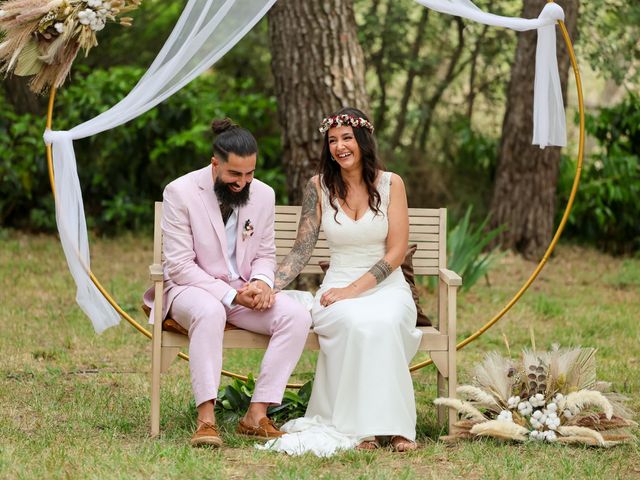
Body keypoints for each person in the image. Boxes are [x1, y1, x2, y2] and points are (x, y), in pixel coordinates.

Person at [143, 118, 312, 448]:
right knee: (210, 311)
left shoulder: (263, 194)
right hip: (190, 289)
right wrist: (231, 295)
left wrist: (262, 284)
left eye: (249, 174)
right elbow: (178, 266)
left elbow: (265, 253)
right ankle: (206, 420)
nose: (242, 182)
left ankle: (257, 413)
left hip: (243, 289)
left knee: (297, 317)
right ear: (215, 163)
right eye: (235, 174)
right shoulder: (180, 191)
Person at [264, 107, 422, 456]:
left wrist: (353, 290)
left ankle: (396, 429)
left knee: (383, 322)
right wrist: (269, 285)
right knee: (354, 323)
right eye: (332, 140)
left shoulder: (391, 183)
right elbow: (301, 250)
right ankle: (360, 429)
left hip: (387, 288)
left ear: (363, 140)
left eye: (346, 138)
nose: (339, 146)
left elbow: (395, 253)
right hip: (336, 288)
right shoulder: (317, 187)